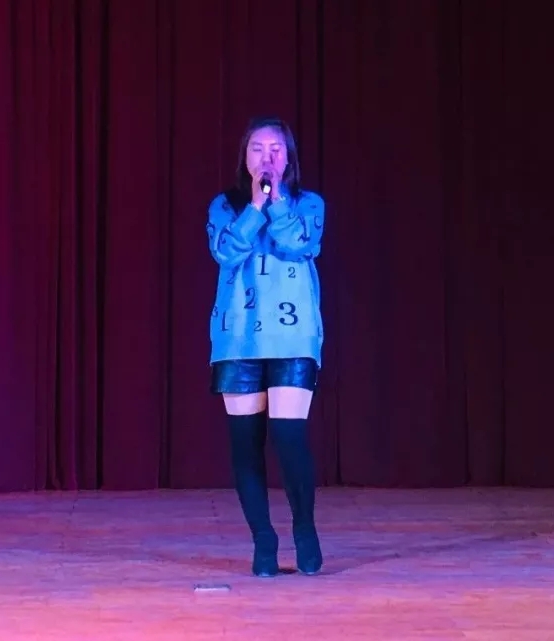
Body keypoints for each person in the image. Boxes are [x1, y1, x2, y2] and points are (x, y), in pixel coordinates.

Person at [205, 116, 326, 577]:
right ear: (245, 157)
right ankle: (263, 540)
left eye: (276, 149)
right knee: (246, 445)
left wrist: (274, 203)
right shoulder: (224, 206)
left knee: (289, 439)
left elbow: (299, 243)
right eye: (258, 149)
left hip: (293, 337)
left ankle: (304, 529)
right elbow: (225, 252)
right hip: (238, 338)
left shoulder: (308, 204)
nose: (267, 157)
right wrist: (254, 205)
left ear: (288, 158)